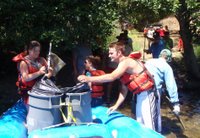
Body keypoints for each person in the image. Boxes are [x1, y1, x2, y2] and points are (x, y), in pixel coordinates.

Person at [78, 42, 158, 131]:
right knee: (140, 123)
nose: (109, 56)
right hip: (139, 95)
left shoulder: (126, 62)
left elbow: (111, 77)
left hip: (147, 94)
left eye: (111, 53)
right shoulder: (122, 66)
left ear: (119, 53)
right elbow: (124, 89)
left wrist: (88, 79)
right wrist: (116, 105)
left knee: (149, 125)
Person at [144, 49, 180, 133]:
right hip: (152, 92)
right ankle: (156, 132)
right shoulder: (167, 67)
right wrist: (175, 103)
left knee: (144, 115)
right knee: (154, 115)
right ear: (168, 58)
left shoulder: (149, 61)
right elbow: (171, 86)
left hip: (140, 90)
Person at [12, 40, 53, 104]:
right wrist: (39, 72)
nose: (37, 53)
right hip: (29, 92)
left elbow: (47, 76)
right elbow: (26, 78)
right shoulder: (24, 63)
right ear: (29, 50)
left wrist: (50, 73)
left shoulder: (42, 60)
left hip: (41, 89)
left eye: (38, 51)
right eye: (35, 51)